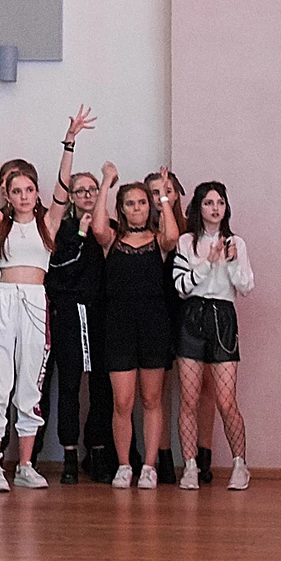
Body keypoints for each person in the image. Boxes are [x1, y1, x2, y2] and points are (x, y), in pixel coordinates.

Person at [0, 108, 90, 491]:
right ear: (8, 194)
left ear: (36, 193)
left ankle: (26, 465)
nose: (23, 196)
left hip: (36, 303)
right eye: (16, 191)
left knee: (30, 386)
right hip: (4, 302)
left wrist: (70, 140)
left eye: (29, 190)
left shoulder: (48, 223)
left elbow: (64, 185)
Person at [91, 161, 182, 489]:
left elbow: (173, 236)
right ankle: (124, 465)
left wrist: (163, 197)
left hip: (154, 326)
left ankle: (149, 466)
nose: (137, 208)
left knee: (152, 400)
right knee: (123, 402)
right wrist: (106, 181)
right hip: (119, 327)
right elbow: (98, 227)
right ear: (122, 208)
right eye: (130, 203)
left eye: (142, 202)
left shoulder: (159, 241)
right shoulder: (111, 240)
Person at [173, 182, 255, 490]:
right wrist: (207, 263)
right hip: (192, 315)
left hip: (223, 316)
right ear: (198, 207)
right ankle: (190, 466)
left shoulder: (236, 242)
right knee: (189, 398)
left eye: (220, 202)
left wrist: (231, 262)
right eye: (208, 202)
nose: (215, 208)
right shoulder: (186, 241)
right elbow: (181, 287)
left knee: (226, 399)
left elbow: (246, 287)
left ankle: (240, 465)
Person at [47, 171, 106, 484]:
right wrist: (81, 233)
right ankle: (68, 455)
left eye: (92, 189)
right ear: (70, 196)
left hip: (100, 316)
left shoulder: (106, 228)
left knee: (101, 387)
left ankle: (97, 451)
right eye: (81, 190)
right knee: (69, 385)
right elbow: (60, 271)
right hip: (69, 315)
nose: (87, 195)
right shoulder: (63, 229)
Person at [144, 170, 190, 485]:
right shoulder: (142, 232)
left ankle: (196, 457)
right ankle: (162, 455)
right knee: (156, 389)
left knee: (190, 387)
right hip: (154, 311)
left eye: (168, 189)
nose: (163, 196)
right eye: (156, 191)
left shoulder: (189, 230)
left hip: (184, 310)